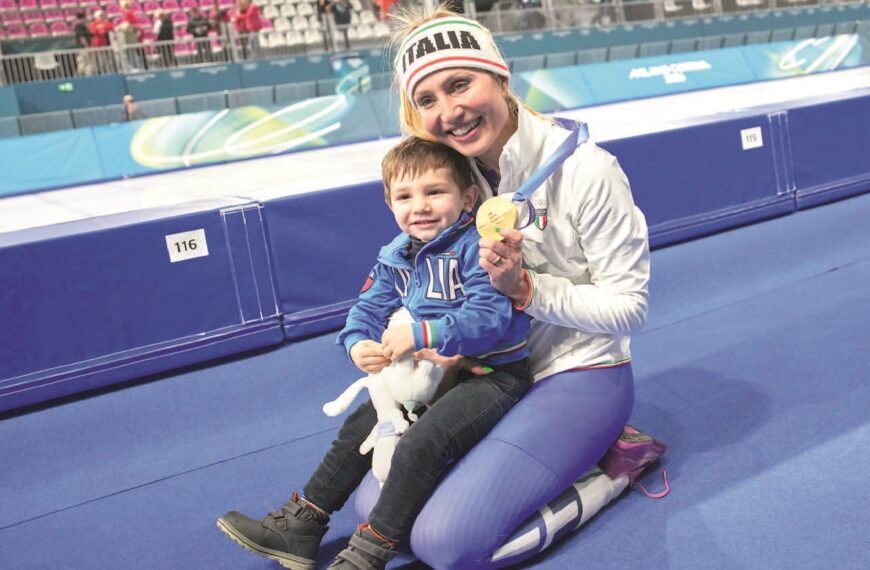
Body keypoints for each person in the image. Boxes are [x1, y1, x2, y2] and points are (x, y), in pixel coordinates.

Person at [380, 5, 665, 568]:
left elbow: (630, 308)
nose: (449, 112)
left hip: (579, 372)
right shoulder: (450, 178)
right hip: (493, 373)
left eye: (460, 84)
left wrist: (527, 291)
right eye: (428, 100)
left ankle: (617, 465)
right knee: (384, 509)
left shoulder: (587, 170)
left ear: (499, 75)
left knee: (446, 544)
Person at [217, 137, 534, 569]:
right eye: (405, 196)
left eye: (434, 192)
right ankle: (304, 524)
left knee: (422, 441)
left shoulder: (478, 250)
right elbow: (364, 311)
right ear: (389, 203)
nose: (419, 206)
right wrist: (358, 345)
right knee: (360, 427)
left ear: (469, 198)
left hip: (491, 373)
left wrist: (423, 334)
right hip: (429, 379)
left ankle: (370, 552)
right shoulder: (396, 256)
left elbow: (489, 318)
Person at [73, 12, 95, 76]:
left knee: (87, 63)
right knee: (83, 63)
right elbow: (82, 37)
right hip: (83, 48)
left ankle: (87, 76)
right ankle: (78, 77)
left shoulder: (84, 26)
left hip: (85, 47)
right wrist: (87, 47)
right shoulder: (79, 26)